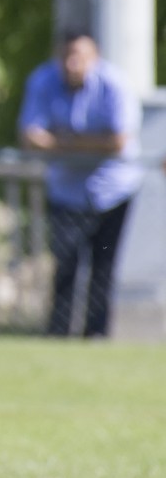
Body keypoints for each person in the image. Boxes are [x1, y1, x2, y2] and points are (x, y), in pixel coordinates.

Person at [18, 29, 143, 338]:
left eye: (80, 57)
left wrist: (62, 142)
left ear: (95, 58)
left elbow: (118, 141)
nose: (72, 64)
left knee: (103, 266)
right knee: (65, 265)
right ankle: (58, 335)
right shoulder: (43, 81)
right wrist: (87, 143)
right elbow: (31, 137)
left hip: (113, 190)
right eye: (66, 56)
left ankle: (96, 335)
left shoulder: (115, 84)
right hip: (65, 190)